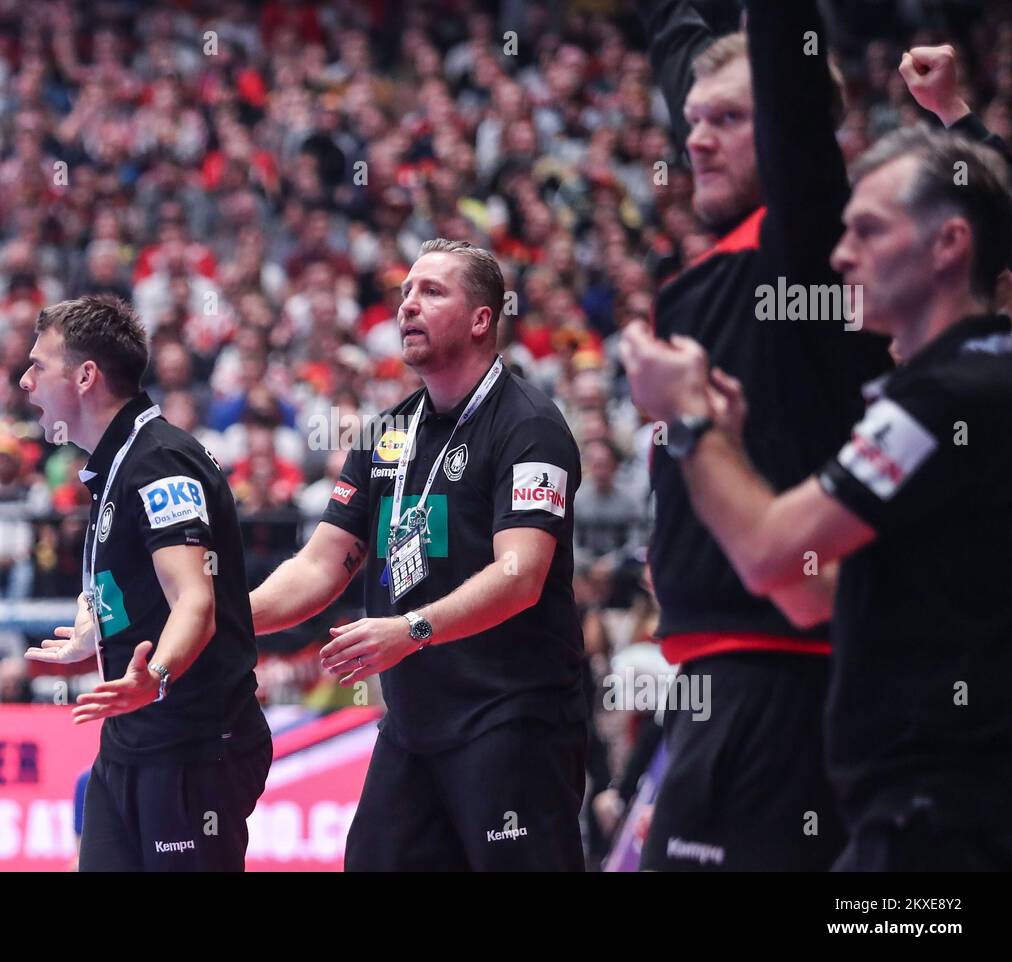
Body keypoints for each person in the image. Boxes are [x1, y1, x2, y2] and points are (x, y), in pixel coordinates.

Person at [621, 126, 1012, 870]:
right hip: (913, 815)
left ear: (949, 245)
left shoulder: (951, 396)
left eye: (867, 230)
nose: (839, 255)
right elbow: (815, 592)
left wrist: (690, 422)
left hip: (948, 823)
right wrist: (728, 450)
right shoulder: (957, 385)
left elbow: (773, 557)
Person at [631, 0, 893, 870]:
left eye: (730, 121)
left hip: (787, 676)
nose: (696, 138)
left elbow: (785, 76)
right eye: (693, 120)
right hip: (714, 678)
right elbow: (679, 44)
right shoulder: (713, 268)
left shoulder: (808, 245)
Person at [250, 239, 586, 871]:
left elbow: (522, 575)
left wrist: (411, 629)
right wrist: (222, 620)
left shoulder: (529, 425)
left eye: (432, 292)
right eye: (405, 293)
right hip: (413, 727)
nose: (407, 306)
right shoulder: (386, 433)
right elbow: (322, 565)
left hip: (511, 721)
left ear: (482, 318)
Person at [19, 294, 271, 872]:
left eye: (39, 365)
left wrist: (154, 677)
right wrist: (94, 625)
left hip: (193, 746)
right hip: (132, 742)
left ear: (86, 377)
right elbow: (133, 579)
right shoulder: (118, 462)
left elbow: (195, 602)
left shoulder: (159, 464)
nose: (25, 380)